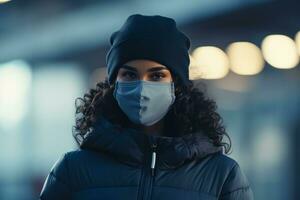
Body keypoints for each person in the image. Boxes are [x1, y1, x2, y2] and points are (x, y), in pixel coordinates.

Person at [39, 14, 254, 200]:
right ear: (114, 83)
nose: (142, 86)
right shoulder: (72, 171)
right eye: (130, 74)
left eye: (157, 75)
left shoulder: (222, 175)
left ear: (176, 85)